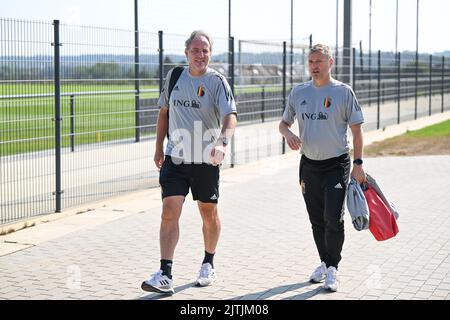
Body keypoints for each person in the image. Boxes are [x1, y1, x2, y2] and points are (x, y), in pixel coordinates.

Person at [141, 30, 237, 295]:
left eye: (205, 50)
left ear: (210, 53)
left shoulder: (217, 81)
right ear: (186, 53)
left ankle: (208, 262)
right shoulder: (174, 77)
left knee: (208, 212)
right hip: (176, 158)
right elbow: (163, 113)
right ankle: (165, 273)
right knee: (169, 209)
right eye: (195, 50)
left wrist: (222, 142)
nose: (200, 55)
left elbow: (231, 116)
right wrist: (158, 146)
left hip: (206, 161)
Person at [279, 44, 366, 292]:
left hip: (336, 164)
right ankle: (325, 263)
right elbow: (283, 123)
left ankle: (333, 268)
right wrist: (288, 134)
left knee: (333, 218)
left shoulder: (343, 92)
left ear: (331, 62)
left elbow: (357, 131)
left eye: (319, 61)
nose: (315, 66)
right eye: (311, 62)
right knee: (316, 219)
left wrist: (358, 163)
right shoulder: (299, 92)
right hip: (308, 166)